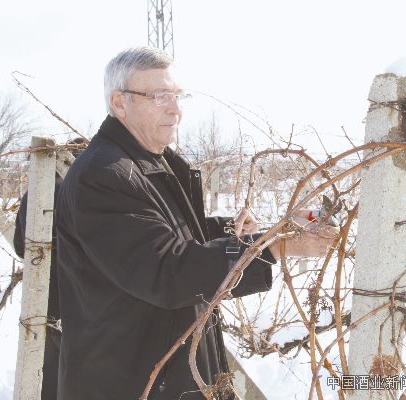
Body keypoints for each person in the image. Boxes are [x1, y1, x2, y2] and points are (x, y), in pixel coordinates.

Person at [55, 47, 337, 400]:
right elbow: (166, 270)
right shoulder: (105, 174)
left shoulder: (149, 164)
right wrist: (274, 247)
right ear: (119, 103)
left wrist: (260, 230)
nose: (175, 109)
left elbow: (169, 233)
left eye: (177, 95)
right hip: (128, 384)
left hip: (160, 378)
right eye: (159, 96)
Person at [13, 137, 87, 400]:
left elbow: (20, 247)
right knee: (76, 366)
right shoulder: (87, 196)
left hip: (40, 296)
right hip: (78, 294)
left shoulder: (32, 194)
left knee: (45, 363)